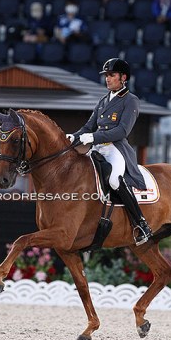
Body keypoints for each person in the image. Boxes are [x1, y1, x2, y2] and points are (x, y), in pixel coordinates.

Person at [66, 58, 153, 246]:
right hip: (97, 148)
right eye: (106, 76)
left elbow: (123, 131)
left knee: (114, 180)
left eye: (111, 75)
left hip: (115, 148)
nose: (107, 79)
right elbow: (89, 126)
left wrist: (94, 137)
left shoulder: (130, 100)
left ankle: (141, 223)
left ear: (123, 77)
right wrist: (73, 137)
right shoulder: (103, 100)